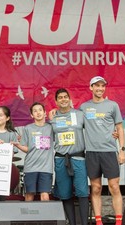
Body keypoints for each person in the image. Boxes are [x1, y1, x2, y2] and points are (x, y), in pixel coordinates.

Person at [80, 76, 125, 225]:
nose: (100, 88)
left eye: (102, 86)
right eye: (97, 86)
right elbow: (73, 122)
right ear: (91, 88)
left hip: (109, 152)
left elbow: (119, 128)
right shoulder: (83, 107)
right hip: (92, 153)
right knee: (96, 188)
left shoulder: (113, 105)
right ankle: (98, 222)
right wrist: (55, 112)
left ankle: (118, 222)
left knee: (114, 187)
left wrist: (122, 150)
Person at [49, 89, 89, 225]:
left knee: (82, 192)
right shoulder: (52, 118)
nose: (63, 99)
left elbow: (93, 129)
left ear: (69, 99)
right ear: (56, 101)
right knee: (65, 193)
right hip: (61, 159)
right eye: (60, 97)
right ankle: (71, 222)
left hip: (78, 158)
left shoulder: (79, 114)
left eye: (66, 97)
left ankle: (84, 223)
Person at [13, 102, 53, 201]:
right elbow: (27, 148)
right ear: (31, 115)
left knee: (44, 194)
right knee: (29, 194)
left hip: (46, 168)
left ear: (45, 113)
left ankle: (46, 217)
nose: (38, 113)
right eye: (35, 111)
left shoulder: (51, 128)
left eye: (40, 110)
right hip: (30, 167)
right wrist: (18, 145)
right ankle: (28, 216)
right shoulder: (28, 128)